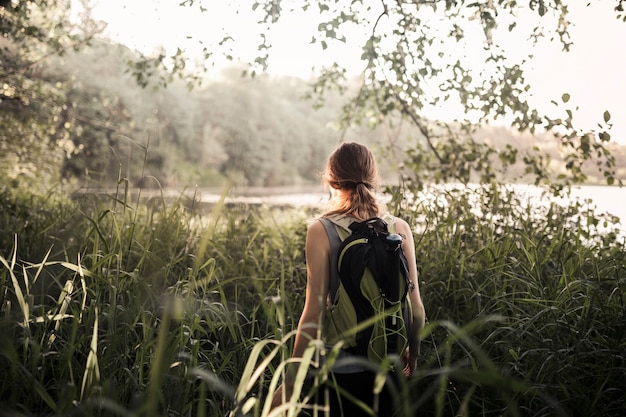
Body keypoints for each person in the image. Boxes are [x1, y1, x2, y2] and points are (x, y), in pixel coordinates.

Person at [270, 142, 426, 416]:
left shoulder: (322, 230)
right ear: (373, 179)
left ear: (331, 181)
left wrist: (291, 382)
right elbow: (417, 310)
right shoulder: (399, 228)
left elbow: (313, 315)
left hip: (340, 368)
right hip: (389, 365)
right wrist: (412, 358)